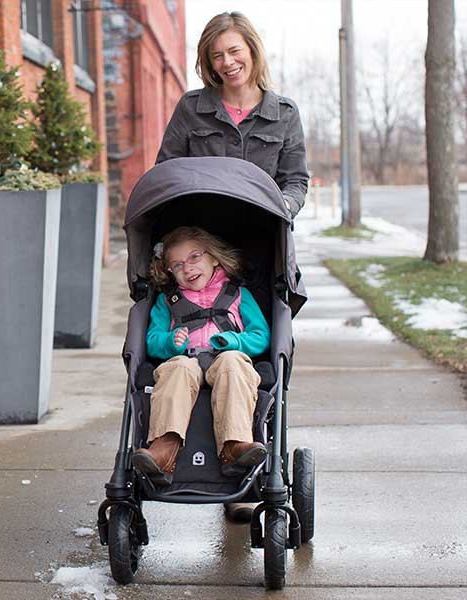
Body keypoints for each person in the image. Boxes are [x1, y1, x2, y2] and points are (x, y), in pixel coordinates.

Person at [132, 226, 270, 490]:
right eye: (177, 264)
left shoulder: (237, 294)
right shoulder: (167, 301)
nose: (188, 268)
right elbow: (151, 340)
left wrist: (236, 341)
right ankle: (163, 449)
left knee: (233, 364)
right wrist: (169, 343)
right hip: (187, 361)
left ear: (214, 257)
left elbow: (261, 335)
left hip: (226, 359)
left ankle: (234, 446)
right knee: (177, 368)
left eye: (195, 257)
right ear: (169, 270)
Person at [156, 11, 309, 219]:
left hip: (263, 231)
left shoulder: (285, 114)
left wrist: (281, 208)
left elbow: (295, 181)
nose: (227, 62)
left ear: (252, 51)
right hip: (202, 232)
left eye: (234, 50)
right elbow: (167, 171)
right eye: (217, 56)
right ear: (210, 63)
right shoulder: (190, 108)